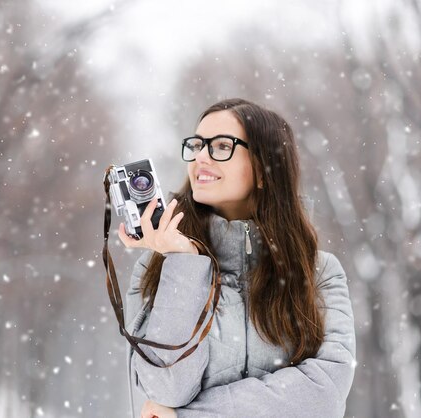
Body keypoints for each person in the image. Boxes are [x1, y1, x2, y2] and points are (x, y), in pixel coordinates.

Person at [119, 98, 355, 418]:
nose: (201, 157)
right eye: (197, 145)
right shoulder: (160, 266)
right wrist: (185, 263)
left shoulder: (318, 272)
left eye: (220, 146)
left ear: (263, 170)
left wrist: (189, 416)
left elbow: (324, 395)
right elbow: (166, 387)